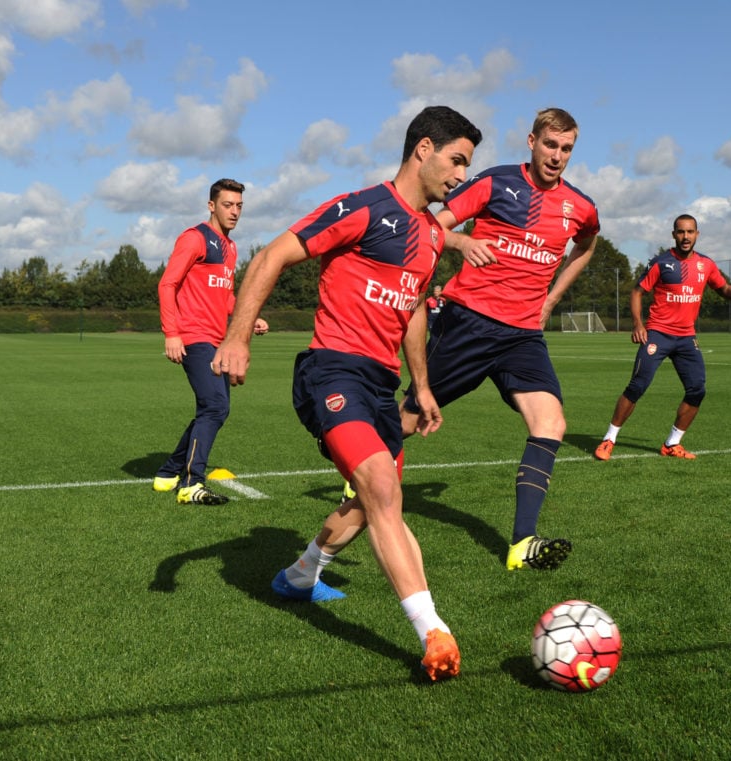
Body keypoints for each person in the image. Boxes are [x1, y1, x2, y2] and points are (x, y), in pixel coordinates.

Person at [212, 106, 483, 682]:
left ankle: (301, 575)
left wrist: (424, 385)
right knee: (382, 487)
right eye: (457, 160)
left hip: (383, 387)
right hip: (331, 371)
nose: (461, 175)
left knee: (371, 503)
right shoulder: (362, 206)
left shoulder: (433, 234)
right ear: (423, 150)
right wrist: (237, 337)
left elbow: (411, 308)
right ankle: (433, 630)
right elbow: (272, 256)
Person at [400, 106, 600, 572]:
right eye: (550, 145)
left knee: (550, 423)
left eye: (566, 148)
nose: (557, 156)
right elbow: (430, 226)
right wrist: (463, 244)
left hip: (524, 335)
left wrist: (551, 300)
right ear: (531, 141)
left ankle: (521, 543)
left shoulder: (581, 206)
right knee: (409, 419)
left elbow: (586, 246)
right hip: (469, 321)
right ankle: (361, 477)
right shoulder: (495, 183)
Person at [594, 214, 731, 461]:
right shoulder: (661, 263)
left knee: (697, 390)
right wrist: (637, 324)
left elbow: (725, 289)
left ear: (697, 234)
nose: (685, 237)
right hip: (658, 334)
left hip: (686, 338)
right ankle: (609, 439)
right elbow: (636, 292)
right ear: (674, 234)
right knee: (637, 386)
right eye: (681, 232)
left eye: (690, 232)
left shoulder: (705, 265)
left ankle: (672, 444)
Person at [153, 178, 269, 505]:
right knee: (215, 406)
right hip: (194, 336)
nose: (234, 212)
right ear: (211, 206)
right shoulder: (195, 239)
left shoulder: (230, 248)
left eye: (239, 206)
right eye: (228, 205)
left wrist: (248, 318)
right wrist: (172, 333)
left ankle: (168, 471)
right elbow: (167, 285)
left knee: (216, 407)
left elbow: (225, 296)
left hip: (219, 341)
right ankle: (191, 483)